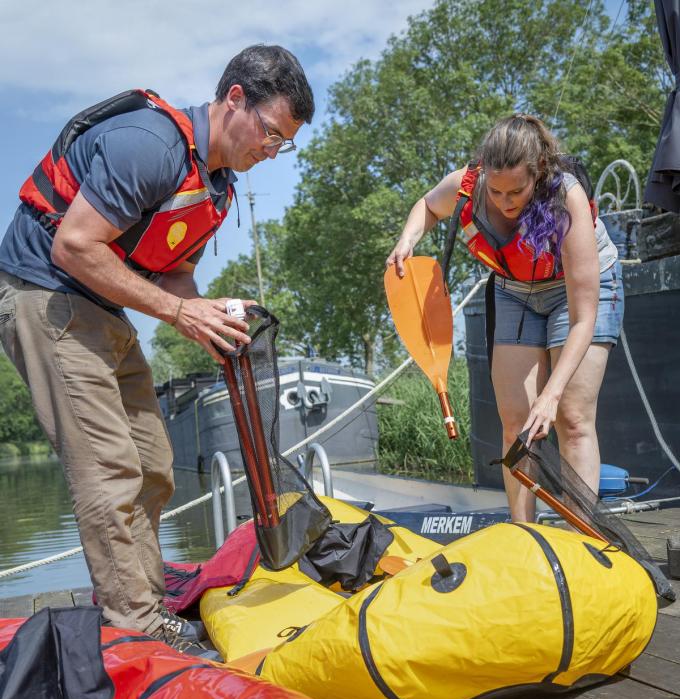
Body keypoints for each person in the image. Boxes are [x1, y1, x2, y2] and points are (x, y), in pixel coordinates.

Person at [0, 44, 314, 654]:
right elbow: (74, 246)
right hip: (46, 293)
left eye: (285, 144)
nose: (272, 152)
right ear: (234, 100)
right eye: (271, 134)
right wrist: (175, 313)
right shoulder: (152, 145)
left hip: (104, 305)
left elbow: (174, 278)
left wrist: (210, 311)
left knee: (153, 463)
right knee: (109, 467)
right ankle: (139, 628)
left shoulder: (217, 187)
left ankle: (145, 598)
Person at [387, 114, 623, 522]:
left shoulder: (565, 197)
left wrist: (550, 394)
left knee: (571, 417)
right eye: (495, 190)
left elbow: (584, 318)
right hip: (515, 289)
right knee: (515, 421)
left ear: (538, 173)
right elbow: (427, 205)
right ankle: (522, 533)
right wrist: (407, 239)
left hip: (576, 291)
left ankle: (583, 539)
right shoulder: (469, 185)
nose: (505, 201)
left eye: (517, 190)